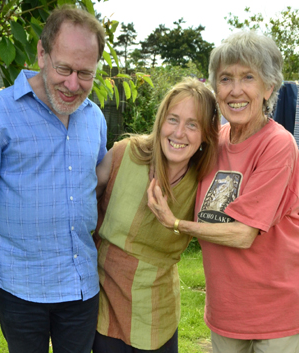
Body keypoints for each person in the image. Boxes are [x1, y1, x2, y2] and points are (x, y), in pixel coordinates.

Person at [0, 5, 107, 353]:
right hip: (19, 285)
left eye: (85, 73)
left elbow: (96, 185)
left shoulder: (95, 117)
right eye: (64, 68)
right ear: (41, 52)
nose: (72, 84)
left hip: (82, 283)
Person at [147, 31, 299, 353]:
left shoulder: (278, 144)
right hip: (226, 312)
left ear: (269, 87)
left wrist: (175, 223)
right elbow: (173, 145)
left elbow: (243, 234)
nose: (235, 90)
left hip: (276, 317)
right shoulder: (214, 140)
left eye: (248, 77)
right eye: (226, 78)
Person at [92, 77, 219, 352]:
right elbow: (81, 201)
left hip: (157, 311)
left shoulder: (204, 181)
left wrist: (173, 222)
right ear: (161, 121)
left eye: (192, 124)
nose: (179, 133)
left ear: (206, 135)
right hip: (106, 301)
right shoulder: (124, 154)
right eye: (173, 120)